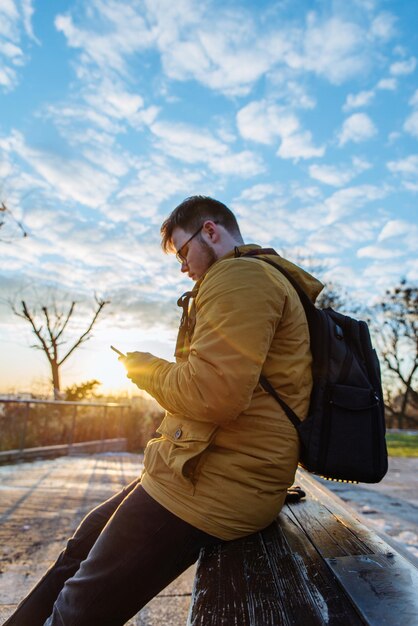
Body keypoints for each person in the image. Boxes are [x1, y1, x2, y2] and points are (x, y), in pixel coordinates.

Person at [5, 196, 323, 626]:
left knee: (77, 610)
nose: (182, 266)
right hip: (203, 469)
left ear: (210, 231)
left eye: (182, 251)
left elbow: (212, 395)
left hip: (214, 487)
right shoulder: (255, 278)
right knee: (83, 542)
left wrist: (144, 368)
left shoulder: (239, 277)